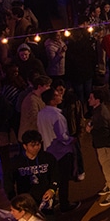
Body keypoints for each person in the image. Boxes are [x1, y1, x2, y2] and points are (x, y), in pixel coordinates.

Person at [36, 84, 79, 213]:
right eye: (56, 95)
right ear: (52, 100)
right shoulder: (57, 116)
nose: (60, 96)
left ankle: (52, 201)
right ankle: (64, 204)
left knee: (52, 178)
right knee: (63, 179)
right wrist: (72, 140)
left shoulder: (41, 114)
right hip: (61, 152)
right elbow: (62, 136)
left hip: (48, 151)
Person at [85, 90, 110, 207]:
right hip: (102, 144)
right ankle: (109, 185)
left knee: (107, 167)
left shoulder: (101, 114)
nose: (89, 100)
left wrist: (91, 130)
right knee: (105, 166)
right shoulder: (99, 110)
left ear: (97, 100)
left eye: (91, 98)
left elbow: (104, 132)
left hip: (104, 145)